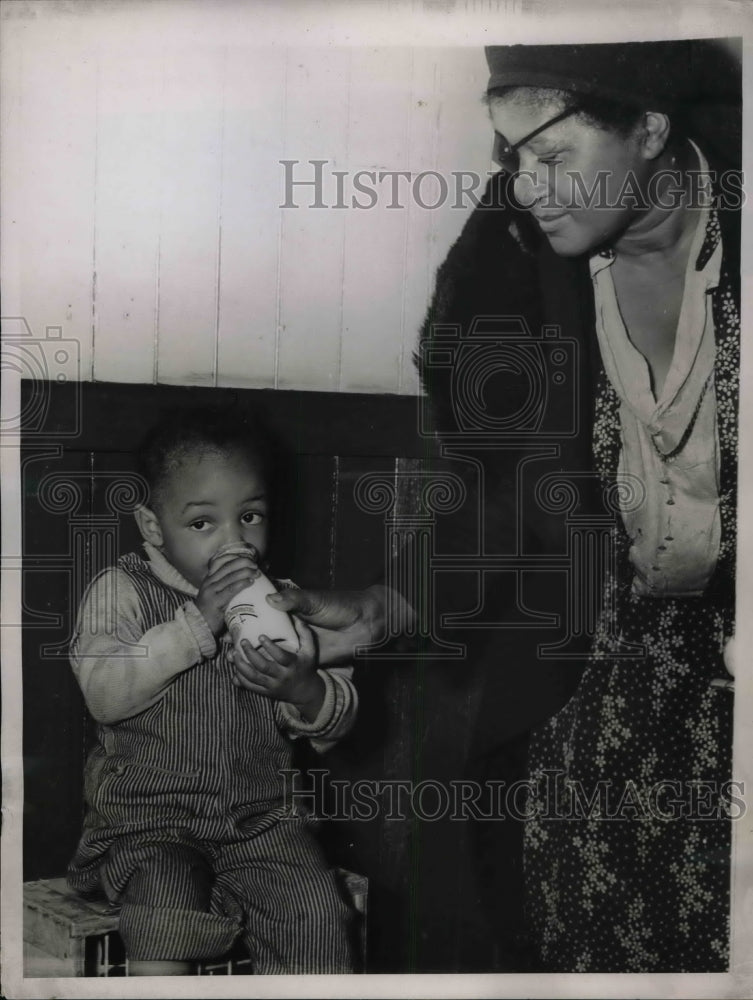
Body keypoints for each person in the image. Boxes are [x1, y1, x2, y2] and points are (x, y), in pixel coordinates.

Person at [269, 39, 741, 972]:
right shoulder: (523, 279)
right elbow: (502, 493)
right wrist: (378, 611)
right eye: (510, 157)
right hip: (608, 673)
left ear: (649, 131)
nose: (524, 188)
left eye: (553, 157)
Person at [66, 406, 357, 976]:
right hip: (150, 826)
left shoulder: (283, 601)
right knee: (164, 904)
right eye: (203, 523)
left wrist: (303, 690)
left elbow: (337, 721)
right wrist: (196, 624)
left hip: (261, 823)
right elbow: (104, 692)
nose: (234, 540)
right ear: (153, 527)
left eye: (250, 516)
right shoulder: (122, 590)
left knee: (319, 911)